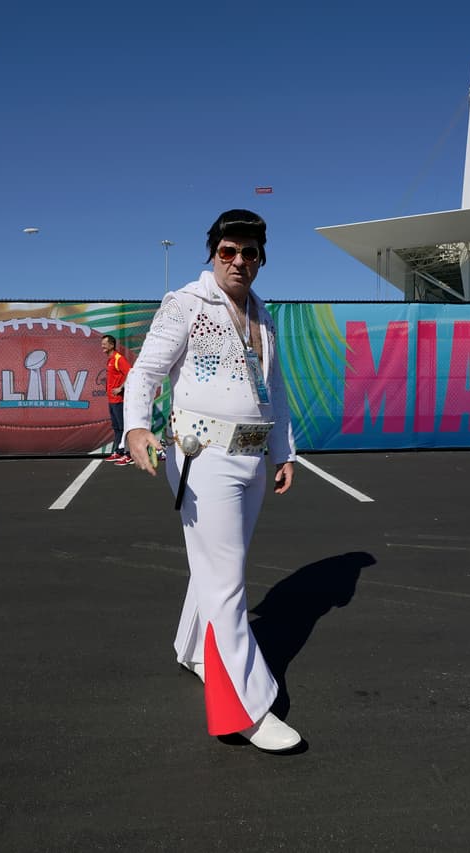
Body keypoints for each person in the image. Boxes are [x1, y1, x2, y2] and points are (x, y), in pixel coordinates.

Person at [123, 209, 301, 753]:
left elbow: (273, 387)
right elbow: (146, 373)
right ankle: (245, 708)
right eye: (229, 251)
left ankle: (192, 648)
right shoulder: (186, 304)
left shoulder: (262, 312)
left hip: (249, 457)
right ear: (213, 253)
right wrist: (135, 428)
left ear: (260, 258)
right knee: (227, 583)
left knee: (219, 569)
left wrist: (281, 451)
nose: (239, 262)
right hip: (203, 457)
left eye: (249, 253)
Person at [101, 334, 133, 465]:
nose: (102, 346)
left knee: (123, 427)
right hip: (112, 400)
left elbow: (131, 373)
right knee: (117, 427)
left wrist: (121, 388)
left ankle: (129, 454)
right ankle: (118, 452)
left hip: (119, 400)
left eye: (104, 344)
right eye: (102, 343)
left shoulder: (118, 358)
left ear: (112, 345)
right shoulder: (109, 359)